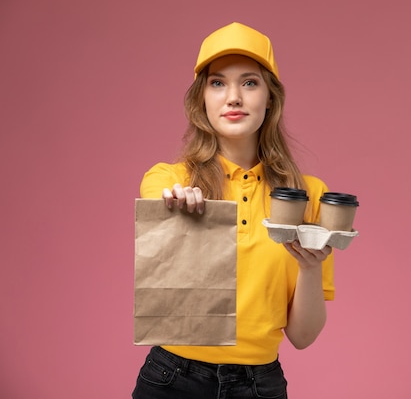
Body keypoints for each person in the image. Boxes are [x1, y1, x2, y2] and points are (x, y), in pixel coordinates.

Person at [131, 22, 335, 399]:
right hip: (172, 379)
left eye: (250, 82)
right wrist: (177, 200)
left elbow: (303, 337)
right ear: (202, 99)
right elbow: (159, 196)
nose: (234, 97)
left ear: (270, 97)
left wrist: (310, 266)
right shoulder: (168, 177)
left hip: (261, 385)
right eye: (218, 83)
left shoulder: (309, 196)